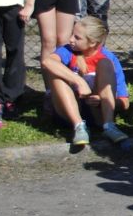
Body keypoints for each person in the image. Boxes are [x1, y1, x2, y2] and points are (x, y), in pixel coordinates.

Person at [42, 15, 128, 150]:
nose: (71, 39)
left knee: (105, 64)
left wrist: (100, 100)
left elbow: (124, 103)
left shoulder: (109, 58)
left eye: (77, 37)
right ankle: (79, 126)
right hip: (68, 112)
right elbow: (47, 61)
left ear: (92, 43)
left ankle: (109, 126)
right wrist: (78, 81)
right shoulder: (67, 51)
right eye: (72, 34)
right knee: (55, 72)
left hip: (96, 112)